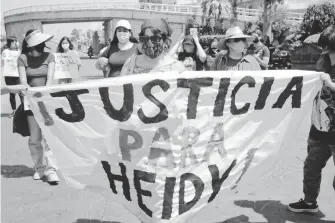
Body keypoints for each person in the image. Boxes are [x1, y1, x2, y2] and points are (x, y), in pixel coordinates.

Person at [288, 25, 335, 213]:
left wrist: (330, 83)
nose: (325, 52)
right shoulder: (322, 63)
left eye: (328, 48)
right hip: (320, 128)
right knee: (311, 167)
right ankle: (309, 202)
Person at [17, 29, 60, 185]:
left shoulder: (50, 57)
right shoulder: (22, 59)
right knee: (35, 138)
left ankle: (51, 169)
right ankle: (39, 168)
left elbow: (50, 78)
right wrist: (31, 93)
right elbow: (23, 80)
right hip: (30, 101)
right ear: (31, 45)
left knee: (49, 136)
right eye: (39, 43)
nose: (42, 46)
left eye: (42, 43)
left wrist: (44, 93)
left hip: (46, 101)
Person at [120, 18, 185, 76]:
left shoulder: (177, 68)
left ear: (165, 41)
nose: (149, 43)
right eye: (144, 38)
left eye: (155, 39)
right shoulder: (130, 64)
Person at [1, 36, 21, 117]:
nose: (15, 43)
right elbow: (3, 62)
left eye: (16, 41)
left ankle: (24, 109)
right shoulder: (4, 51)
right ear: (10, 43)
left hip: (17, 75)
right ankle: (14, 111)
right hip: (8, 75)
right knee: (12, 94)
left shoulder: (19, 51)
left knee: (21, 93)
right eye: (13, 42)